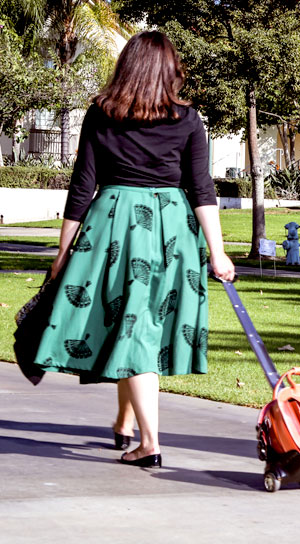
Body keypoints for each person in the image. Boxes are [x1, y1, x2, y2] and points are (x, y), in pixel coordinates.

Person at [34, 30, 235, 467]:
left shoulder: (101, 114)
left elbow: (82, 186)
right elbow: (201, 189)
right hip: (171, 231)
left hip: (113, 225)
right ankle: (132, 428)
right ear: (169, 69)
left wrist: (63, 251)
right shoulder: (187, 119)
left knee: (132, 323)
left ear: (126, 66)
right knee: (138, 323)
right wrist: (217, 251)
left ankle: (146, 441)